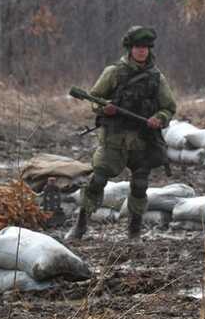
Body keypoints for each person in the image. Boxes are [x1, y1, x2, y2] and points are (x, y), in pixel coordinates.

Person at [66, 26, 176, 240]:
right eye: (137, 47)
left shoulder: (156, 77)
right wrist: (103, 107)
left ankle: (134, 231)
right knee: (97, 180)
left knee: (140, 185)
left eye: (145, 47)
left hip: (142, 140)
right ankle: (80, 226)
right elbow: (94, 98)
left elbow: (169, 107)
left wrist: (159, 119)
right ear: (130, 49)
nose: (142, 51)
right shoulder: (114, 72)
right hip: (114, 138)